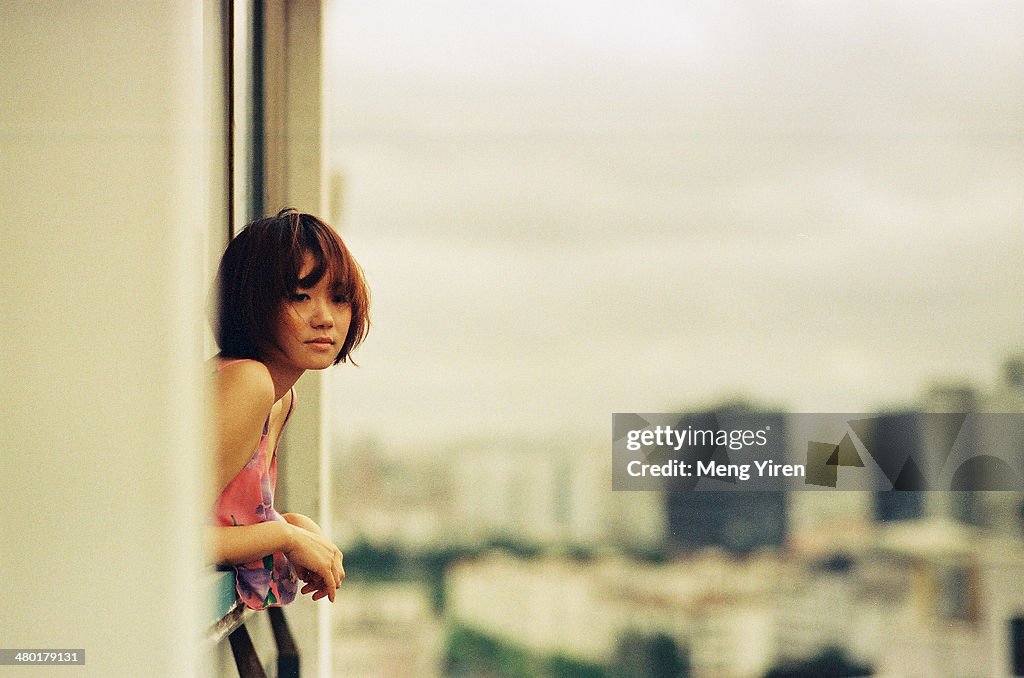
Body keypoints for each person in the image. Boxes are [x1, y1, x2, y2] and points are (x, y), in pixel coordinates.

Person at [207, 208, 370, 609]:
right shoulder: (248, 382)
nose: (325, 319)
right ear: (253, 300)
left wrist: (291, 524)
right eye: (300, 297)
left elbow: (217, 517)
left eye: (339, 298)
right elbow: (163, 534)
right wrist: (287, 537)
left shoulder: (280, 397)